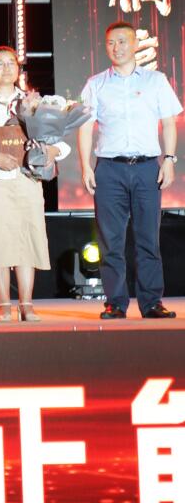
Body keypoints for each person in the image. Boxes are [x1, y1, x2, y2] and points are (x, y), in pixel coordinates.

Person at [79, 21, 181, 320]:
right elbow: (84, 127)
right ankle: (115, 302)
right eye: (111, 42)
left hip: (147, 168)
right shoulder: (96, 83)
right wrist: (85, 166)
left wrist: (169, 159)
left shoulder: (155, 81)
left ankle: (151, 302)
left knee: (148, 238)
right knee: (110, 240)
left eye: (123, 41)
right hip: (109, 169)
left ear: (135, 44)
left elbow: (169, 122)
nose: (117, 48)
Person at [0, 46, 69, 323]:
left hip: (27, 178)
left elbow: (59, 141)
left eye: (11, 63)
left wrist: (51, 152)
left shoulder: (33, 102)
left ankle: (26, 304)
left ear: (18, 69)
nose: (6, 68)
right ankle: (4, 304)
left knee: (26, 239)